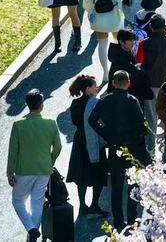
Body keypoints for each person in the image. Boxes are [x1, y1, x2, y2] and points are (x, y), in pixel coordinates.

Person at [89, 69, 150, 231]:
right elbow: (142, 126)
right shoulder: (132, 101)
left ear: (113, 83)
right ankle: (131, 219)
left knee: (116, 187)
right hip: (132, 149)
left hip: (114, 147)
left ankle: (118, 221)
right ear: (129, 83)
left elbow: (93, 119)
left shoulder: (105, 100)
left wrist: (106, 132)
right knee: (132, 185)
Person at [7, 89, 61, 242]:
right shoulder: (50, 123)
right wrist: (50, 161)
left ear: (27, 104)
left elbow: (13, 152)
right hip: (44, 169)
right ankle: (33, 233)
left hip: (23, 170)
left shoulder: (18, 125)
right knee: (37, 202)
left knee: (18, 201)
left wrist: (9, 172)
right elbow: (57, 147)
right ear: (41, 105)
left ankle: (31, 228)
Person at [66, 74, 106, 220]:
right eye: (94, 86)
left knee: (81, 176)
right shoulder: (97, 103)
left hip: (80, 141)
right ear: (88, 88)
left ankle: (83, 205)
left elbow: (75, 122)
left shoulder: (75, 103)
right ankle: (95, 204)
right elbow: (102, 122)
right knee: (99, 174)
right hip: (94, 141)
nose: (97, 88)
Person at [84, 0, 124, 84]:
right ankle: (117, 70)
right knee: (118, 44)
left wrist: (91, 12)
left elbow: (87, 0)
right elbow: (121, 2)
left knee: (102, 44)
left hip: (99, 18)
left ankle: (105, 72)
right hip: (114, 18)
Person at [142, 14, 166, 149]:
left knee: (151, 117)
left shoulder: (145, 43)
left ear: (151, 26)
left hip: (150, 84)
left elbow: (140, 62)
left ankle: (150, 148)